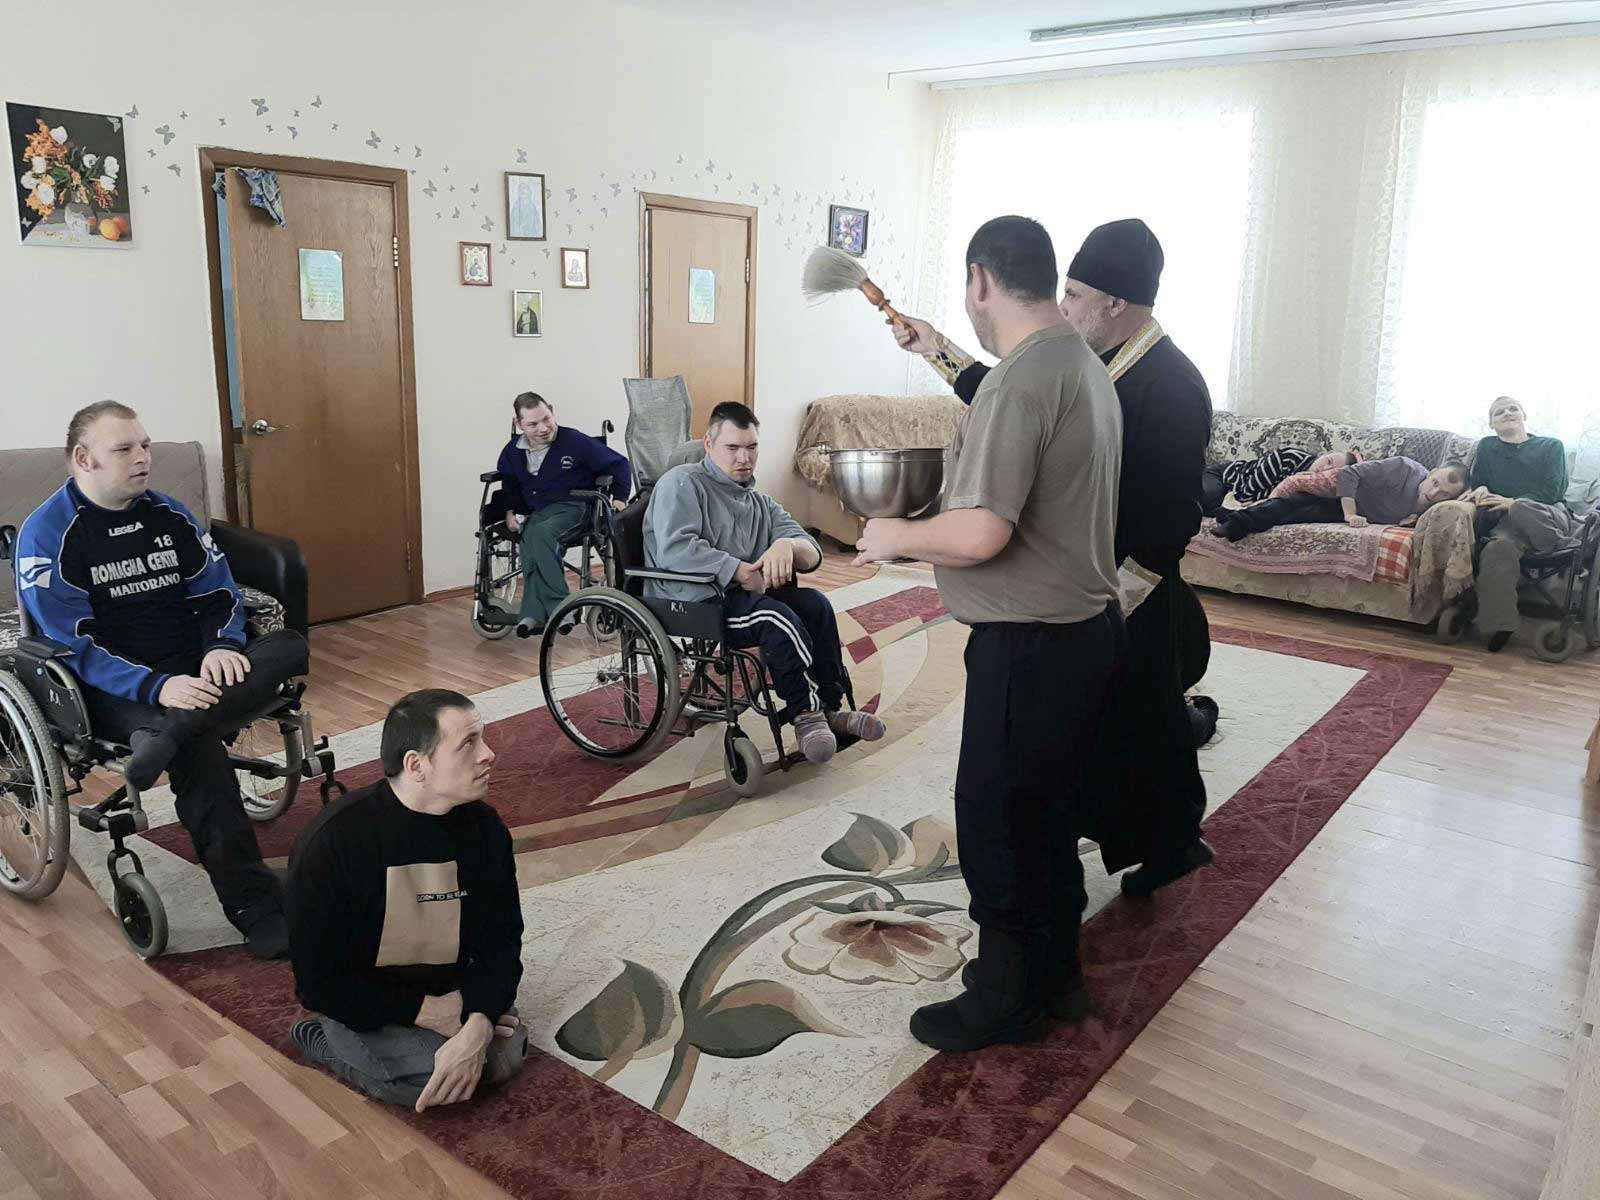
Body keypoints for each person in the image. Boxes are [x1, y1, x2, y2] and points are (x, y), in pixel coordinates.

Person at [857, 215, 1124, 1052]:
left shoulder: (1020, 381)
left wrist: (895, 536)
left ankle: (1004, 998)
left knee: (998, 821)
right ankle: (1055, 974)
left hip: (1030, 642)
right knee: (1046, 818)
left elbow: (980, 533)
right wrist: (936, 348)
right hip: (1085, 632)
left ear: (981, 280)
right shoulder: (1081, 362)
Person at [892, 217, 1216, 898]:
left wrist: (1112, 601)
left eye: (1073, 295)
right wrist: (936, 348)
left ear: (1115, 303)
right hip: (1086, 587)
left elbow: (1171, 520)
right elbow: (1015, 403)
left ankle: (1176, 843)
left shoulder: (1173, 385)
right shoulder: (1086, 362)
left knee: (1145, 725)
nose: (1061, 308)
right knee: (1095, 735)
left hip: (1129, 588)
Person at [15, 401, 308, 957]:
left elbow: (219, 592)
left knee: (289, 645)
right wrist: (157, 687)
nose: (143, 458)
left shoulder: (168, 514)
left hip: (195, 672)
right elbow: (73, 644)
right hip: (112, 688)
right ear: (84, 459)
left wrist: (221, 645)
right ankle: (255, 908)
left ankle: (171, 730)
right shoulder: (48, 533)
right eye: (124, 449)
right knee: (200, 752)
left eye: (145, 445)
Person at [287, 689, 528, 1113]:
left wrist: (478, 1022)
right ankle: (321, 1039)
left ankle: (447, 1042)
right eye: (468, 743)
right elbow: (318, 983)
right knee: (430, 1083)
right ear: (417, 765)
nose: (489, 754)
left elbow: (502, 942)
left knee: (498, 1061)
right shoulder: (333, 843)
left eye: (483, 738)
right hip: (369, 999)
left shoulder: (485, 829)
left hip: (453, 987)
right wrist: (427, 1012)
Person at [643, 401, 885, 765]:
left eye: (751, 447)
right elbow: (675, 550)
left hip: (741, 596)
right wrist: (740, 570)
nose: (744, 458)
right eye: (733, 447)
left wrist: (787, 545)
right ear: (709, 444)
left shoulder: (757, 500)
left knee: (815, 605)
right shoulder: (682, 483)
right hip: (692, 600)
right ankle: (806, 715)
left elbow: (812, 553)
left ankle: (830, 710)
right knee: (774, 618)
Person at [493, 391, 632, 638]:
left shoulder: (575, 441)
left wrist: (619, 498)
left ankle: (561, 607)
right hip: (538, 512)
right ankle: (534, 614)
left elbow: (619, 464)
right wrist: (509, 510)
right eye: (533, 424)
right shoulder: (512, 452)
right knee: (530, 539)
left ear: (552, 410)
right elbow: (510, 486)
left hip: (576, 506)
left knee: (537, 534)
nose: (543, 428)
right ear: (518, 423)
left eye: (546, 419)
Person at [1467, 396, 1575, 652]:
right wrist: (1480, 488)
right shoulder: (1487, 446)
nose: (1507, 413)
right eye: (1499, 412)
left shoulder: (1551, 446)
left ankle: (1558, 542)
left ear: (1523, 415)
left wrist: (1512, 502)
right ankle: (1502, 624)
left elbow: (1552, 491)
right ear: (1492, 424)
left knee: (1519, 506)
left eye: (1512, 409)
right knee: (1497, 549)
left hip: (1546, 515)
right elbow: (1479, 481)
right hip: (1510, 525)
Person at [1212, 457, 1469, 541]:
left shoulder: (1435, 510)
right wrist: (1350, 512)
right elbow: (1350, 473)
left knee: (1298, 516)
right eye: (1436, 483)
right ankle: (1235, 524)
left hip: (1354, 513)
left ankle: (1233, 517)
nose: (1435, 493)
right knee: (1291, 504)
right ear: (1433, 471)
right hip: (1343, 497)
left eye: (1444, 494)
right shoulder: (1403, 468)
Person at [1201, 449, 1359, 516]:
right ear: (1324, 453)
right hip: (1224, 476)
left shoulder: (1312, 486)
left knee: (1207, 509)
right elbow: (1247, 493)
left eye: (1330, 470)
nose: (1324, 468)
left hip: (1229, 494)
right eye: (1328, 460)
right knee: (1200, 498)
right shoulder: (1290, 458)